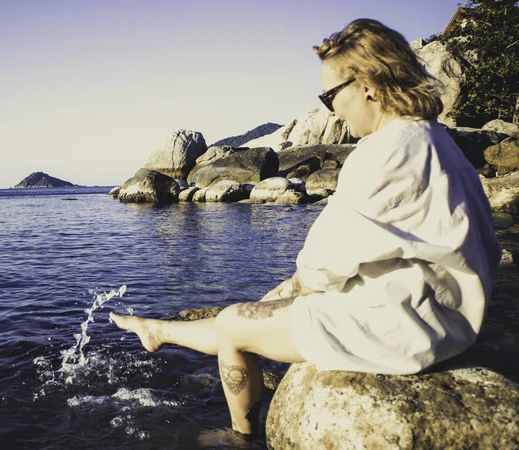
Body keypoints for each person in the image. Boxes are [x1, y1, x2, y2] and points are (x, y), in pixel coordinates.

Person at [110, 18, 501, 444]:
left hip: (402, 328)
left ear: (368, 83)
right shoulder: (437, 143)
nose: (332, 109)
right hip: (449, 317)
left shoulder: (384, 152)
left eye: (331, 94)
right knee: (261, 309)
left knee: (236, 322)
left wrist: (290, 291)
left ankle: (241, 435)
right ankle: (158, 331)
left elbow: (319, 268)